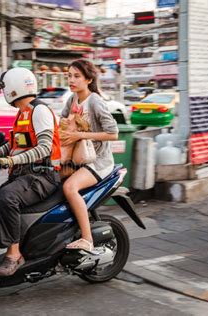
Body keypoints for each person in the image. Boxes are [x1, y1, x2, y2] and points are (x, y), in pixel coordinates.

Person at [0, 68, 62, 276]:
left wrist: (10, 160)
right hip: (24, 175)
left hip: (42, 176)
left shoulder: (39, 111)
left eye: (3, 87)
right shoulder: (23, 112)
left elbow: (44, 148)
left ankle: (14, 255)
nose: (3, 92)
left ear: (13, 87)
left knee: (5, 198)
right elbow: (12, 145)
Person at [60, 59, 119, 254]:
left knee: (70, 187)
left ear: (88, 79)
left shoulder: (94, 101)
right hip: (78, 158)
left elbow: (113, 133)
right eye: (69, 75)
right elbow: (61, 123)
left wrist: (80, 134)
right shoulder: (72, 99)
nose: (71, 80)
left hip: (98, 161)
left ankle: (87, 239)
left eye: (76, 76)